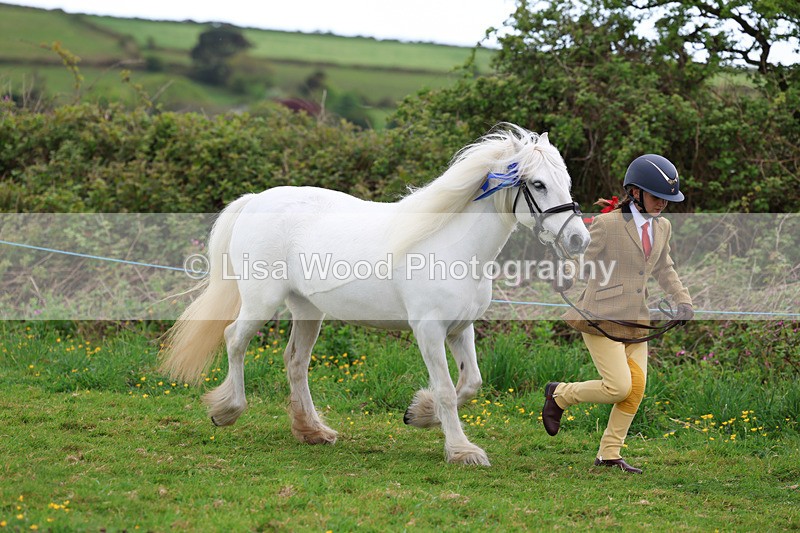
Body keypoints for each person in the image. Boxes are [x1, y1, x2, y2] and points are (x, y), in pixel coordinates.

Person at [542, 154, 694, 474]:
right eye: (657, 197)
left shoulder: (663, 227)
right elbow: (583, 257)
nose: (663, 204)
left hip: (637, 319)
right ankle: (559, 395)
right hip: (602, 317)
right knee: (618, 387)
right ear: (635, 192)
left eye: (668, 199)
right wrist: (567, 274)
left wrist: (682, 301)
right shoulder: (608, 224)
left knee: (635, 389)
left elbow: (665, 268)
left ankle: (609, 454)